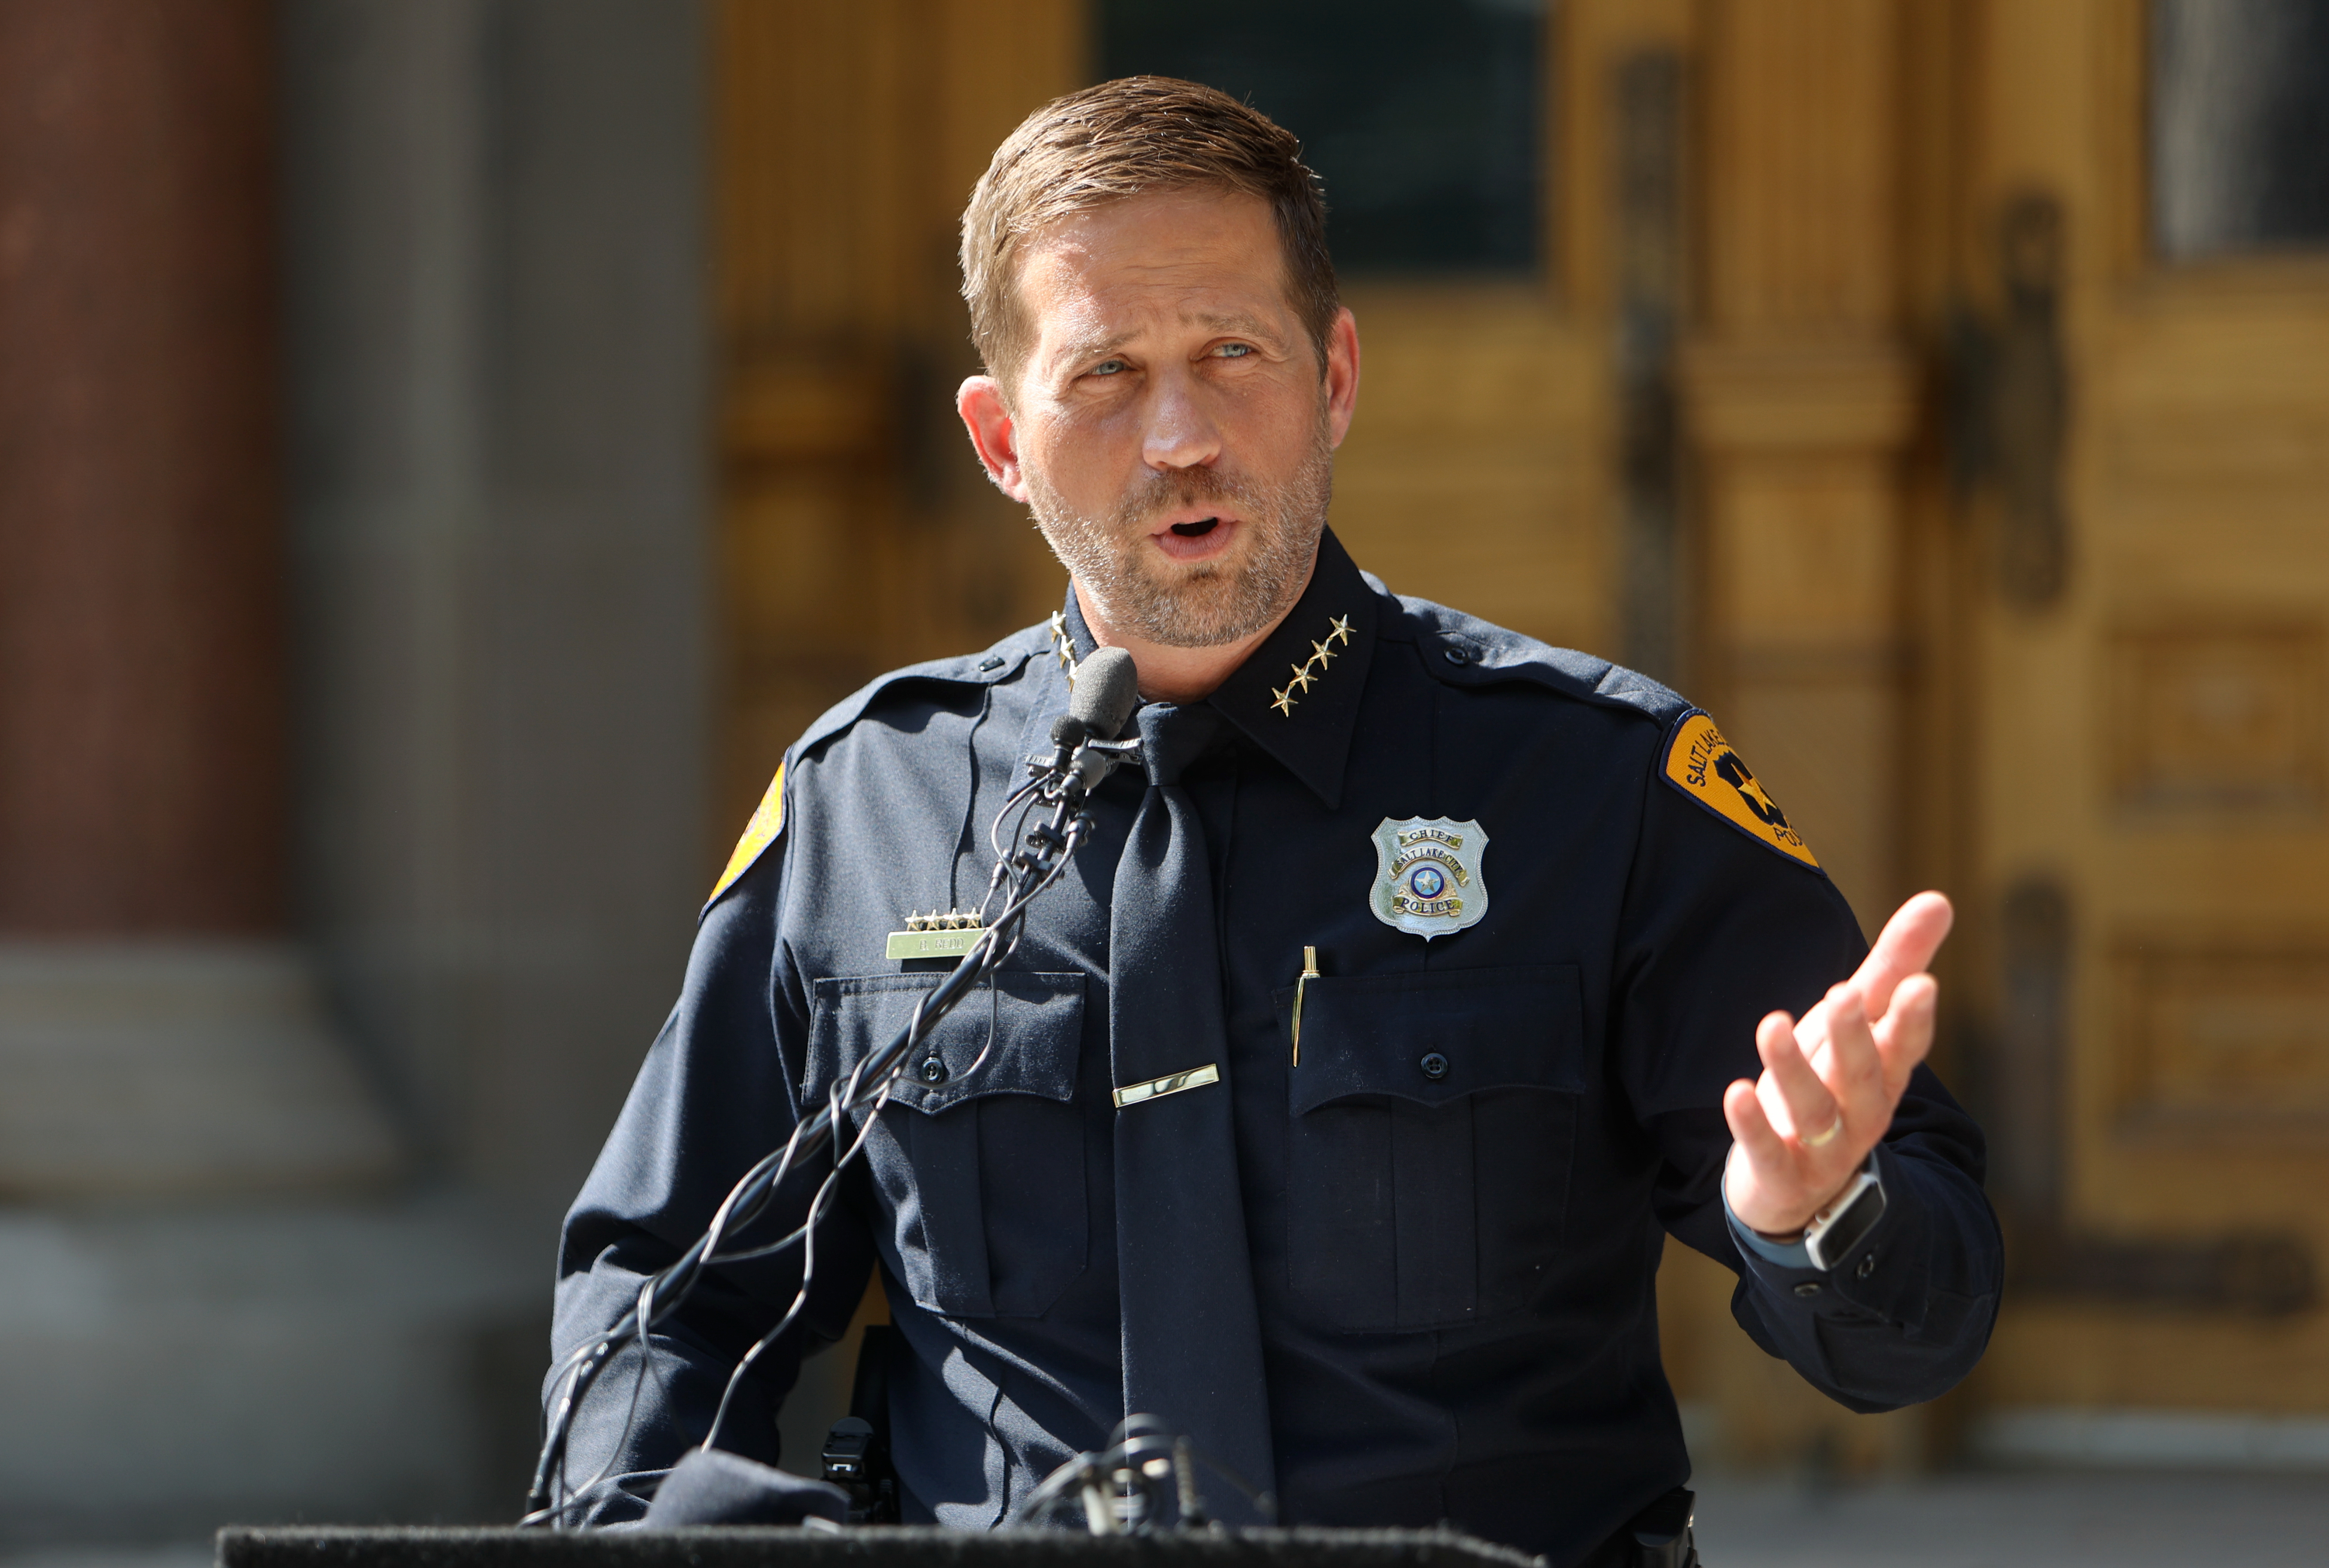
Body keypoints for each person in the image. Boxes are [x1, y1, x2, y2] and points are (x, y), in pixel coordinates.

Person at [550, 76, 2001, 1566]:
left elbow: (1918, 1329)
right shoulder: (868, 806)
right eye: (1106, 373)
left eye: (1232, 353)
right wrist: (640, 1528)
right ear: (999, 440)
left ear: (1336, 378)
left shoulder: (1597, 785)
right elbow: (662, 1288)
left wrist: (1819, 1217)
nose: (1181, 435)